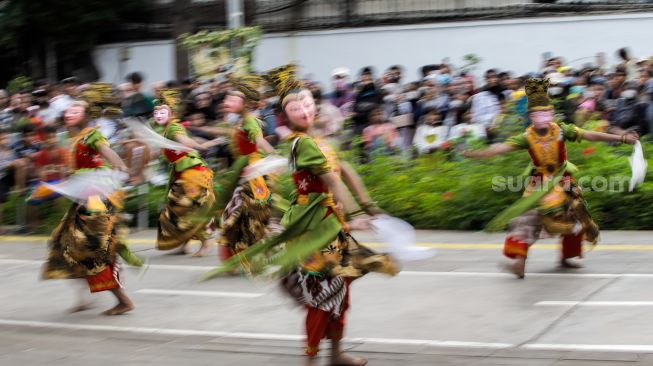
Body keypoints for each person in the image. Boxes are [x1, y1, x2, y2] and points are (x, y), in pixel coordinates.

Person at [215, 64, 399, 366]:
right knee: (322, 296)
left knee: (339, 291)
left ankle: (335, 355)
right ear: (283, 117)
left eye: (306, 102)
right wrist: (356, 213)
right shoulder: (302, 144)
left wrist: (369, 206)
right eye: (294, 106)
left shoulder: (319, 142)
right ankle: (312, 360)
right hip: (314, 228)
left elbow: (346, 171)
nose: (304, 108)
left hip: (330, 225)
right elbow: (332, 180)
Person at [463, 78, 638, 278]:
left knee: (575, 214)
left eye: (547, 112)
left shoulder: (561, 130)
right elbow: (500, 148)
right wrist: (479, 153)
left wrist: (622, 138)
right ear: (531, 116)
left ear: (552, 113)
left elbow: (590, 135)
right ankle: (519, 263)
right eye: (538, 113)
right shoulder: (526, 137)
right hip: (539, 184)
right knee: (527, 220)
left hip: (563, 180)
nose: (543, 116)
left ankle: (566, 257)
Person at [40, 101, 141, 315]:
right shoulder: (74, 139)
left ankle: (123, 301)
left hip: (96, 202)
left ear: (86, 116)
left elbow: (109, 154)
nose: (69, 114)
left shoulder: (91, 135)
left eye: (75, 111)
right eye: (68, 111)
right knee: (65, 245)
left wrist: (120, 168)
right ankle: (84, 298)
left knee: (93, 252)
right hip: (84, 201)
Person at [153, 89, 223, 256]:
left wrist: (201, 145)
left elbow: (184, 141)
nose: (158, 114)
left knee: (189, 208)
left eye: (162, 111)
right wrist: (207, 143)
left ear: (172, 113)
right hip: (182, 172)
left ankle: (206, 242)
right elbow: (190, 140)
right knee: (176, 209)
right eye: (156, 111)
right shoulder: (170, 128)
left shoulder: (174, 127)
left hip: (192, 172)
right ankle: (184, 242)